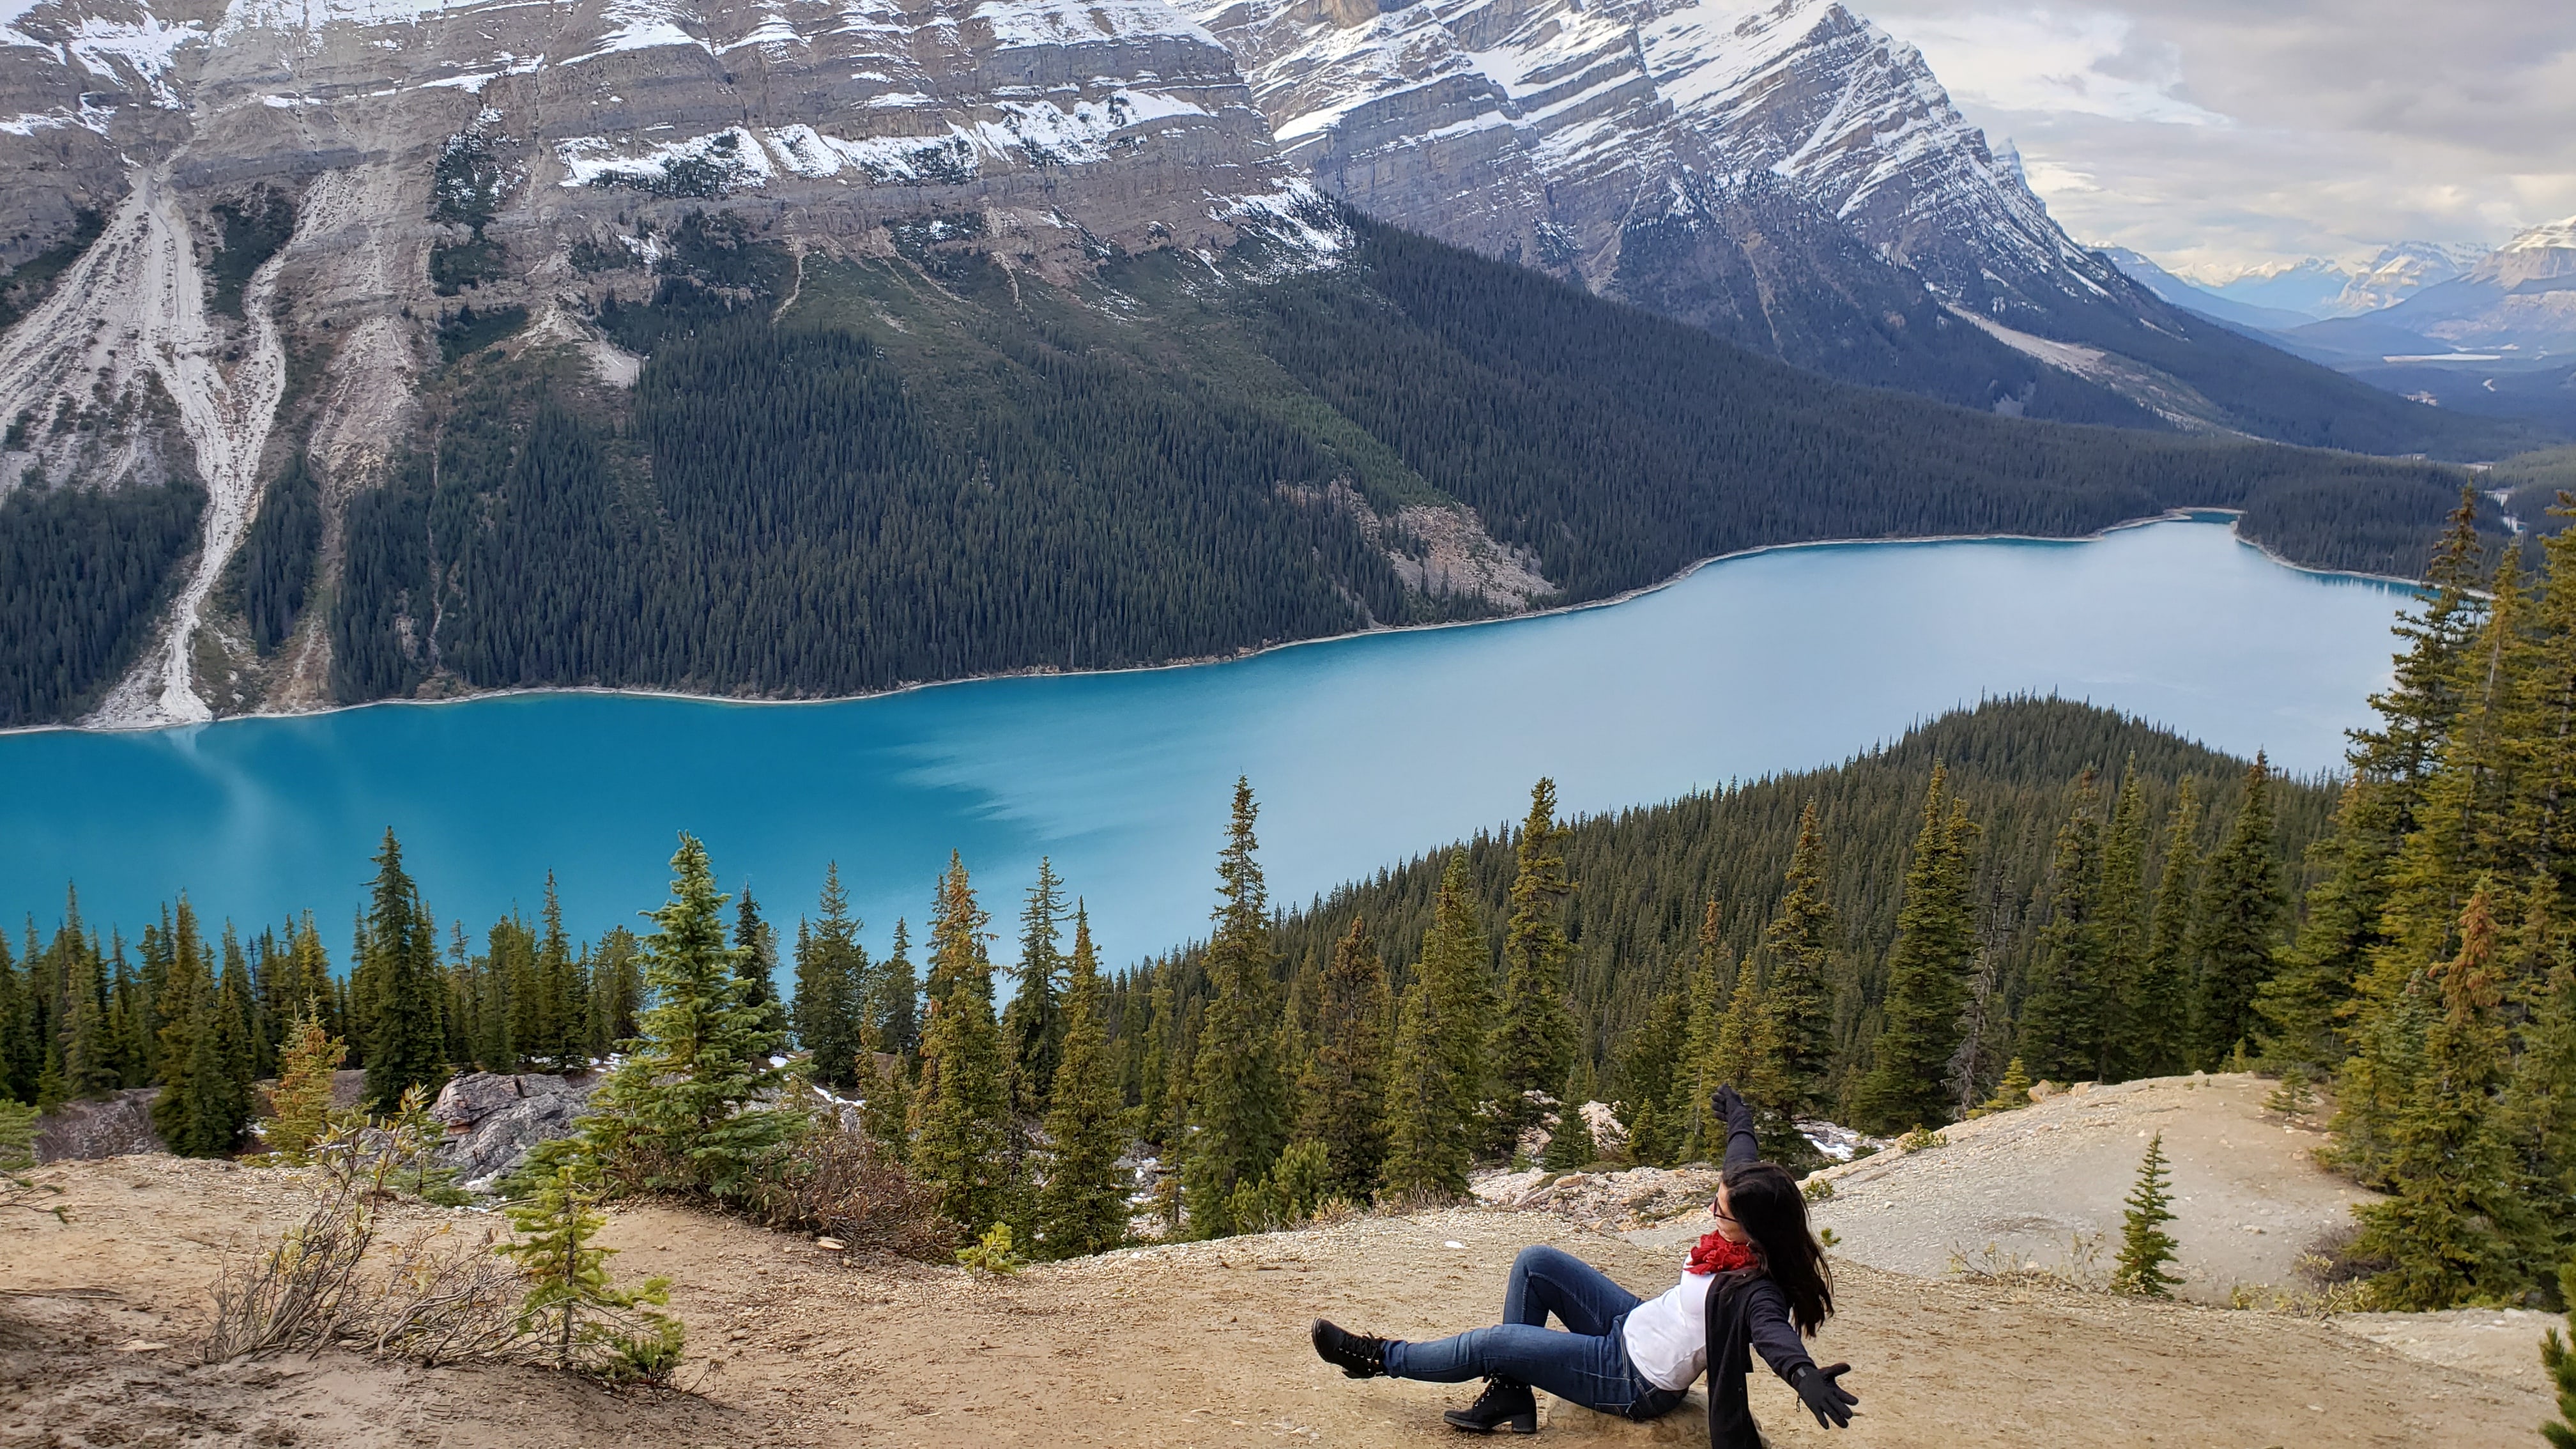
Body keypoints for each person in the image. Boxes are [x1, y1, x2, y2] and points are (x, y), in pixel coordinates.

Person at [1309, 1084, 1858, 1442]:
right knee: (1535, 1263)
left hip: (1633, 1379)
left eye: (1723, 1211)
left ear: (1757, 1229)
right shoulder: (1745, 1204)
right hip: (1631, 1322)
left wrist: (1804, 1375)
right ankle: (1511, 1396)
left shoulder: (1757, 1288)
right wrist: (1740, 1116)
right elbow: (1742, 1157)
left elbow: (1772, 1335)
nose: (1712, 1210)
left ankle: (1375, 1357)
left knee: (1492, 1342)